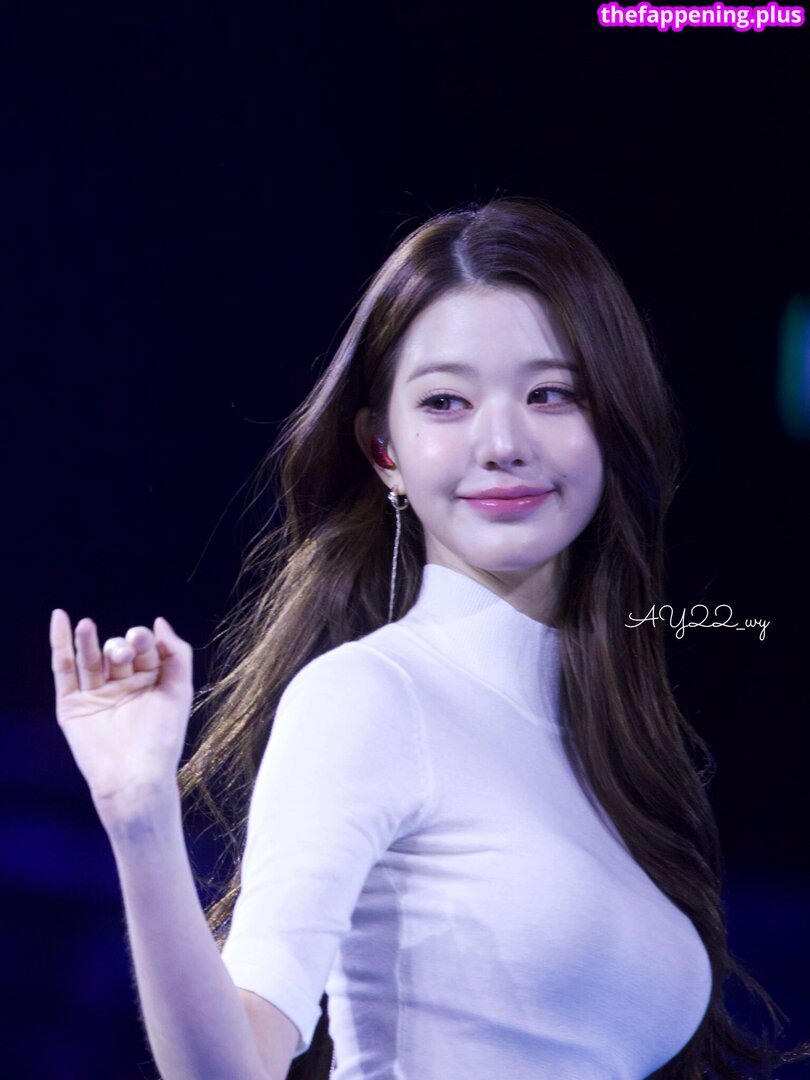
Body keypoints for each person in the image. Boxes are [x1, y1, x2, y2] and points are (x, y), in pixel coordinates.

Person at [49, 197, 810, 1079]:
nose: (503, 442)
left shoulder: (615, 745)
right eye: (446, 402)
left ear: (611, 421)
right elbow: (234, 1064)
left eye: (550, 393)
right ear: (386, 451)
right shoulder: (369, 695)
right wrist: (140, 815)